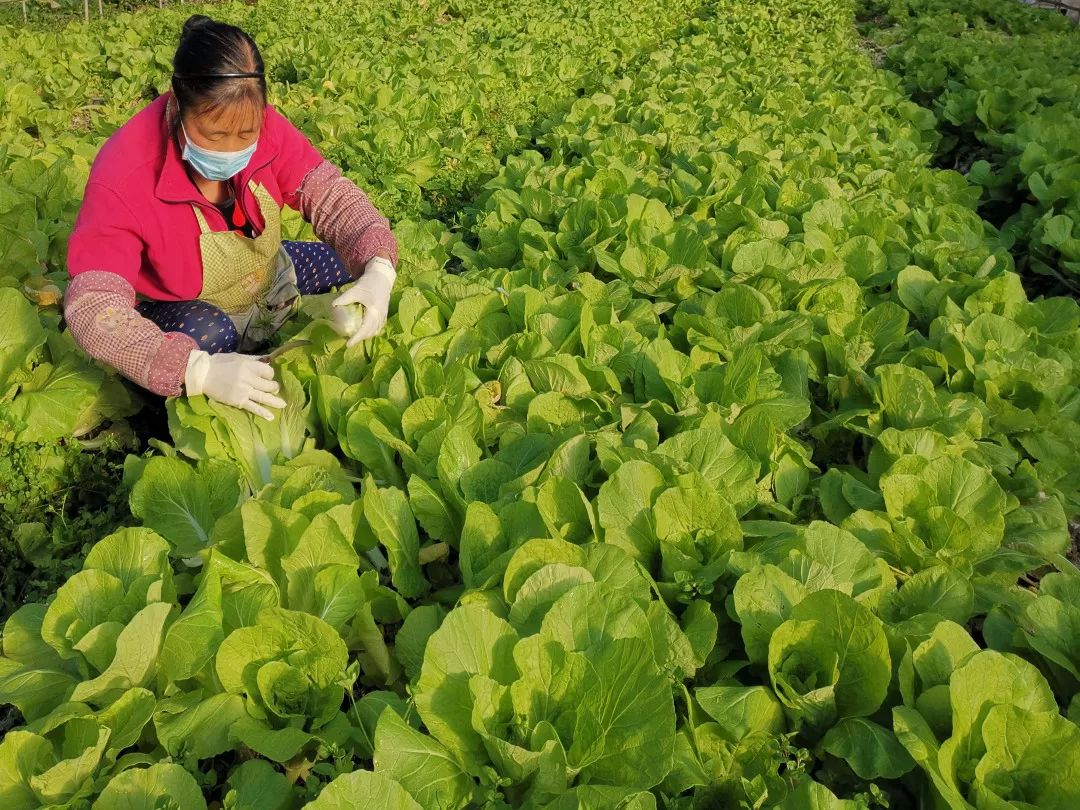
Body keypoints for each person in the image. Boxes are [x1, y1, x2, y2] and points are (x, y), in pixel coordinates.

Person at [63, 14, 397, 421]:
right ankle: (168, 404)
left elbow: (330, 195)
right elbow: (95, 306)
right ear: (178, 103)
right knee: (210, 336)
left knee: (351, 265)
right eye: (214, 136)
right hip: (184, 304)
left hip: (262, 273)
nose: (231, 149)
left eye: (246, 135)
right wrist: (193, 369)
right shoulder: (124, 171)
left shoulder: (267, 126)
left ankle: (266, 327)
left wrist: (379, 266)